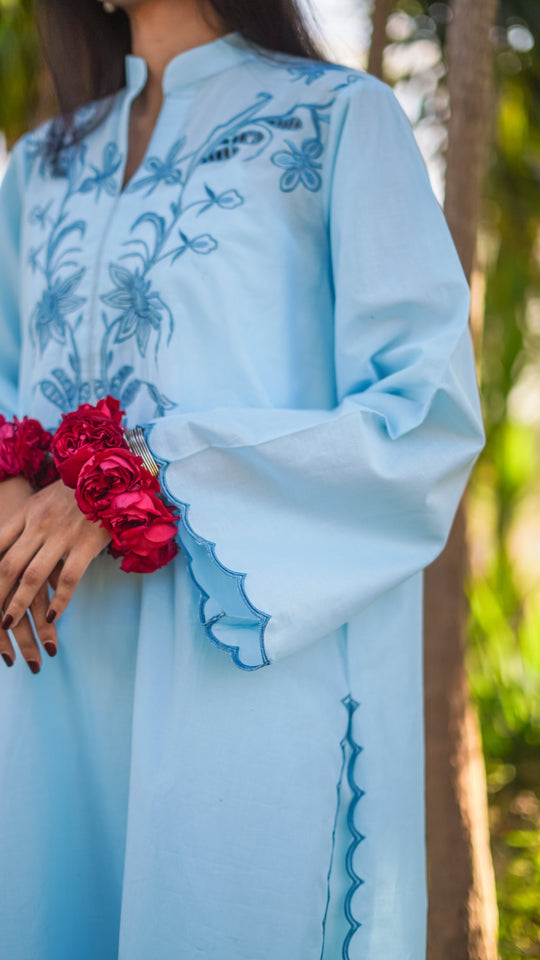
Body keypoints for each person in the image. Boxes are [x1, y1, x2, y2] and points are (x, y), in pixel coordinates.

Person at [0, 0, 485, 957]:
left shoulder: (339, 119)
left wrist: (148, 474)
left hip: (235, 656)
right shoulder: (38, 166)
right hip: (46, 671)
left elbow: (419, 412)